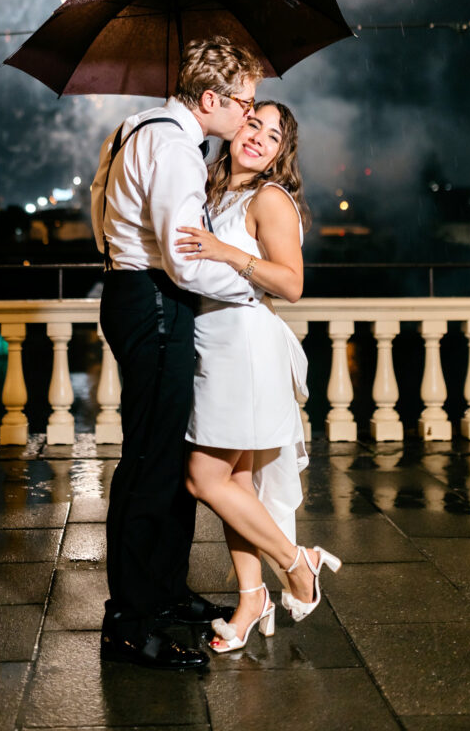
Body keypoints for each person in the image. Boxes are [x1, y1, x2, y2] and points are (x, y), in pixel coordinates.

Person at [90, 36, 264, 670]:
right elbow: (187, 261)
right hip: (155, 301)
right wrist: (252, 281)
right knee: (150, 462)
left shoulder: (141, 126)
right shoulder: (172, 146)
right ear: (211, 98)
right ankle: (130, 623)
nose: (250, 114)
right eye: (243, 102)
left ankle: (163, 593)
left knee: (169, 454)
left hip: (140, 294)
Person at [176, 101, 341, 653]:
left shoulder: (270, 198)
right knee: (236, 485)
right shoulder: (210, 188)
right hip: (213, 343)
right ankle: (252, 600)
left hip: (243, 349)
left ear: (279, 155)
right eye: (254, 124)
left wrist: (224, 251)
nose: (259, 139)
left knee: (204, 478)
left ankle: (299, 563)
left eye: (273, 137)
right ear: (236, 127)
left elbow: (292, 285)